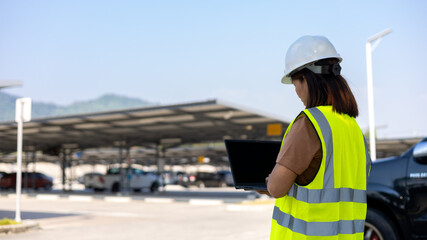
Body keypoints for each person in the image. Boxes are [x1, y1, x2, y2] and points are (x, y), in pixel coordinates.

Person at [260, 35, 372, 239]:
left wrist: (267, 183)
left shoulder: (309, 124)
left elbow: (276, 187)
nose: (297, 93)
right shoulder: (354, 129)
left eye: (295, 85)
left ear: (306, 79)